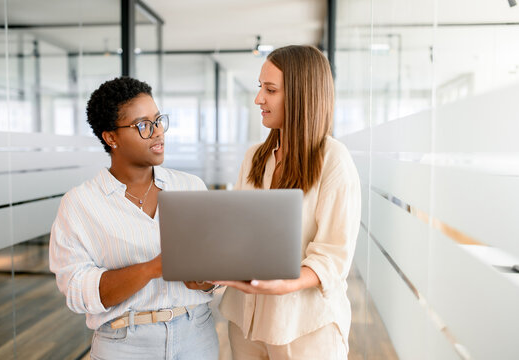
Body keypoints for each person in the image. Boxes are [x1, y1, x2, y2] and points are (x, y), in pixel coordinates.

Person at [49, 77, 219, 360]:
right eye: (143, 125)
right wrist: (153, 268)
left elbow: (213, 265)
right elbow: (78, 292)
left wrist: (207, 280)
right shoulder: (80, 204)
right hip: (124, 344)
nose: (157, 133)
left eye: (158, 120)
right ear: (111, 137)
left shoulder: (191, 187)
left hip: (197, 336)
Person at [214, 45, 361, 359]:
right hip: (246, 321)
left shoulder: (333, 160)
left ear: (300, 95)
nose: (258, 99)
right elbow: (240, 231)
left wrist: (285, 283)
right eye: (260, 88)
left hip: (304, 326)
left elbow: (334, 256)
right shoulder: (255, 156)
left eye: (270, 90)